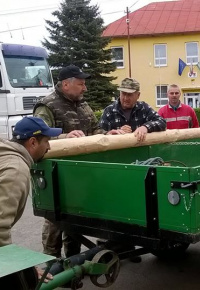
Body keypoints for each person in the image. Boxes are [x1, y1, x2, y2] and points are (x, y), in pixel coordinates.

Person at [33, 64, 105, 258]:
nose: (85, 88)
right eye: (81, 84)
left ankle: (73, 260)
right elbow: (38, 138)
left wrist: (108, 134)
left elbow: (95, 129)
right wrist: (65, 137)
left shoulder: (82, 103)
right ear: (66, 84)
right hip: (55, 172)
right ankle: (51, 264)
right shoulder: (47, 105)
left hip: (79, 171)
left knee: (75, 216)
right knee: (54, 220)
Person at [0, 117, 61, 282]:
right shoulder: (16, 170)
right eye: (46, 141)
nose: (49, 146)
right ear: (33, 142)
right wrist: (22, 267)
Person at [99, 77, 166, 141]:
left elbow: (162, 122)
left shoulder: (143, 108)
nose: (125, 98)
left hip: (140, 151)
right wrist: (111, 133)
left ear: (138, 95)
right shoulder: (109, 111)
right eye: (123, 94)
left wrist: (145, 127)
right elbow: (99, 133)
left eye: (129, 94)